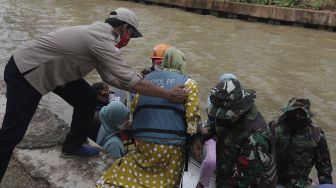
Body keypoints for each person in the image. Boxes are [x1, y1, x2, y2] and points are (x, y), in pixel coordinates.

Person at [0, 7, 187, 181]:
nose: (129, 39)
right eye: (130, 34)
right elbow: (128, 78)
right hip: (27, 72)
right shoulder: (101, 38)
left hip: (56, 72)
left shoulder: (100, 36)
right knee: (12, 134)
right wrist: (167, 94)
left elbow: (110, 78)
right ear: (124, 28)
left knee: (87, 98)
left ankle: (72, 146)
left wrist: (137, 83)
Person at [96, 47, 201, 188]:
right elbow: (192, 117)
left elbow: (133, 108)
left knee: (139, 172)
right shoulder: (189, 83)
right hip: (172, 145)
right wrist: (194, 139)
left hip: (144, 141)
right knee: (168, 180)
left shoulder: (146, 80)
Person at [208, 78, 276, 188]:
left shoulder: (255, 139)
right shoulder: (228, 117)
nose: (220, 118)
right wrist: (200, 137)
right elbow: (215, 125)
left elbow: (240, 182)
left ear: (237, 111)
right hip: (226, 174)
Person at [269, 97, 333, 188]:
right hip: (272, 176)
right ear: (288, 112)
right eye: (294, 112)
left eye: (301, 114)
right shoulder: (274, 126)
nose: (297, 116)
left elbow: (324, 164)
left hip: (298, 181)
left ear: (307, 115)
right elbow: (263, 151)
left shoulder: (316, 133)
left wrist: (326, 184)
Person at [196, 73, 237, 188]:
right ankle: (202, 184)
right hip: (214, 134)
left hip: (233, 139)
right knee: (211, 161)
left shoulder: (241, 103)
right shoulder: (214, 97)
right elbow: (210, 116)